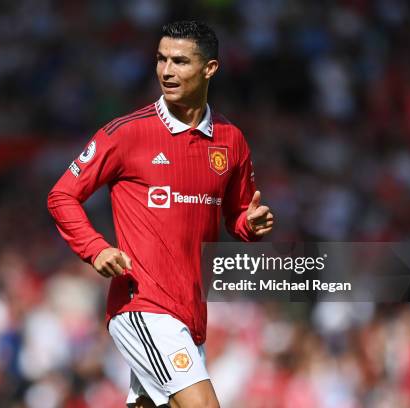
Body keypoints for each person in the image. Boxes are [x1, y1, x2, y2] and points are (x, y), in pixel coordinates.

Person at [48, 20, 274, 408]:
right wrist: (95, 248)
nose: (166, 71)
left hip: (190, 314)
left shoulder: (230, 139)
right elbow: (62, 196)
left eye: (180, 61)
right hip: (142, 305)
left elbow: (237, 215)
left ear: (210, 69)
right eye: (161, 59)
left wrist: (250, 225)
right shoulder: (126, 133)